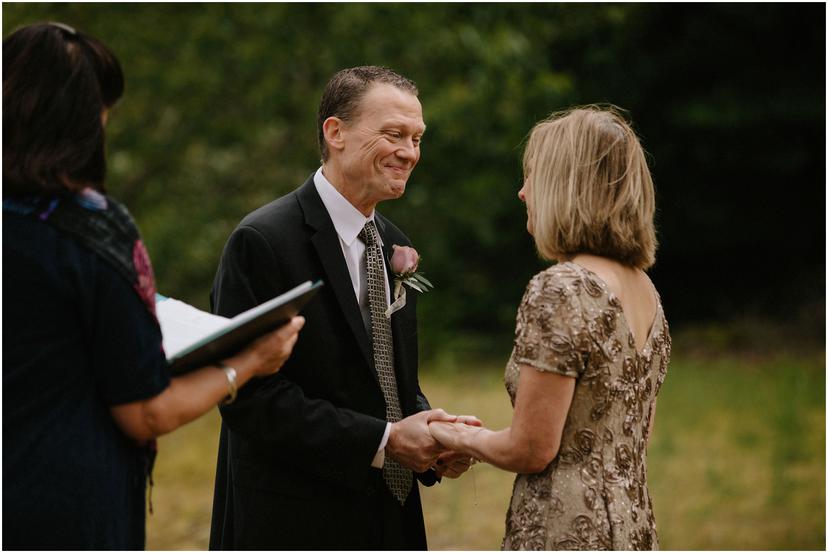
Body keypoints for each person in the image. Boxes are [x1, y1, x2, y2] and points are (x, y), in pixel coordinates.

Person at [2, 22, 305, 550]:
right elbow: (145, 412)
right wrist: (250, 360)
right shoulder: (92, 232)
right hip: (63, 505)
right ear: (82, 122)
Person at [208, 66, 477, 550]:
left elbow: (391, 380)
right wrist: (384, 441)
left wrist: (431, 435)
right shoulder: (263, 241)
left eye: (417, 138)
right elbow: (248, 399)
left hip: (388, 518)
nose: (410, 152)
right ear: (336, 132)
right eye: (394, 134)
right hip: (291, 519)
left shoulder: (395, 244)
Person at [429, 106, 671, 550]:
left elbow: (532, 449)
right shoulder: (646, 292)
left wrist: (449, 433)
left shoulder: (561, 287)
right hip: (633, 524)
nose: (522, 193)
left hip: (564, 530)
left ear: (568, 184)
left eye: (534, 176)